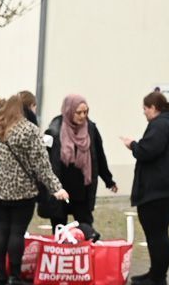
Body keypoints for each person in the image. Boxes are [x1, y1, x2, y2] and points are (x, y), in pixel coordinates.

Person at [0, 92, 71, 285]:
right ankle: (14, 278)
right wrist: (56, 188)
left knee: (2, 230)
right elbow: (41, 164)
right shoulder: (28, 130)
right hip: (21, 191)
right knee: (17, 232)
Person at [122, 89, 169, 285]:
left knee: (157, 233)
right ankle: (155, 273)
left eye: (145, 108)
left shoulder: (160, 124)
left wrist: (132, 145)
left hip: (160, 191)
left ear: (154, 108)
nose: (144, 112)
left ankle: (157, 278)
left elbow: (148, 151)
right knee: (159, 231)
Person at [43, 93, 117, 239]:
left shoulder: (91, 129)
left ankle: (85, 259)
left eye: (85, 112)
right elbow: (44, 159)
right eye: (79, 112)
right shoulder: (55, 128)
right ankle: (61, 259)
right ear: (69, 110)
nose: (83, 116)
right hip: (61, 187)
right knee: (59, 229)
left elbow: (99, 156)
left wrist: (109, 180)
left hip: (82, 188)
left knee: (86, 228)